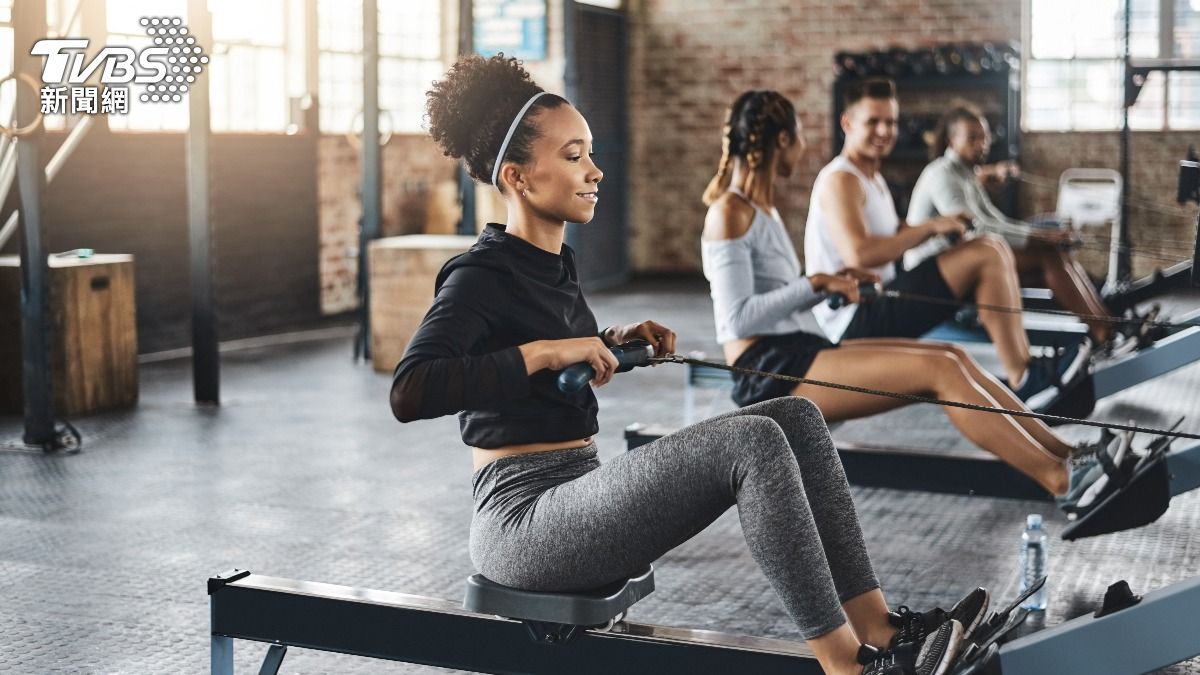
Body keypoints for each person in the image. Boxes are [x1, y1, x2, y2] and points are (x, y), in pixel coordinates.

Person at [392, 54, 983, 675]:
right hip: (524, 521)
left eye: (590, 153)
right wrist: (547, 352)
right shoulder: (479, 274)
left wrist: (613, 341)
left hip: (575, 487)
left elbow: (540, 359)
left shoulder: (553, 263)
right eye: (573, 157)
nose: (595, 171)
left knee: (797, 417)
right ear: (517, 176)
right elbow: (412, 390)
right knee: (751, 440)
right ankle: (849, 666)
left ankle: (882, 632)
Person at [700, 89, 1119, 515]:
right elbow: (735, 321)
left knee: (952, 357)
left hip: (793, 350)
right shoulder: (729, 211)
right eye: (800, 136)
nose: (805, 146)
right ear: (783, 141)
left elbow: (777, 302)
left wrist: (834, 283)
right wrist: (817, 282)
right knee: (939, 371)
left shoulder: (760, 209)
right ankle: (1060, 479)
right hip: (765, 371)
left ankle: (1069, 454)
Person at [803, 78, 1085, 402]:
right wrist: (931, 226)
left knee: (990, 248)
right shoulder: (842, 179)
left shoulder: (871, 178)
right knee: (987, 251)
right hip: (857, 317)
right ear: (847, 123)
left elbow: (893, 233)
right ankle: (1024, 377)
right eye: (873, 122)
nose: (884, 131)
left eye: (891, 122)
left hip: (883, 295)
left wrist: (941, 227)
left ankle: (1028, 370)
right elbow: (860, 255)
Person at [907, 103, 1134, 352]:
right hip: (931, 273)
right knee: (1046, 255)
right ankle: (1104, 333)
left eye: (984, 138)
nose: (981, 145)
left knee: (1053, 256)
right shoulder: (942, 174)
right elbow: (975, 229)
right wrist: (1039, 237)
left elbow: (997, 221)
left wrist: (1043, 235)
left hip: (962, 259)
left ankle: (1109, 327)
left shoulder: (966, 174)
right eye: (972, 138)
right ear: (952, 140)